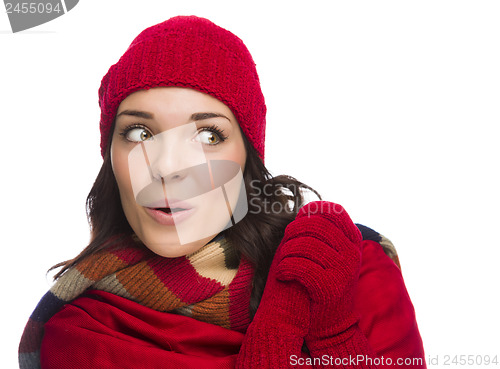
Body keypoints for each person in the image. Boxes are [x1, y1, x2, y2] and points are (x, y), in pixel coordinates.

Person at [19, 15, 426, 368]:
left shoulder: (347, 268)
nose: (166, 167)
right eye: (139, 133)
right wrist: (279, 329)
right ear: (110, 156)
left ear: (246, 157)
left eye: (208, 135)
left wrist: (336, 333)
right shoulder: (77, 331)